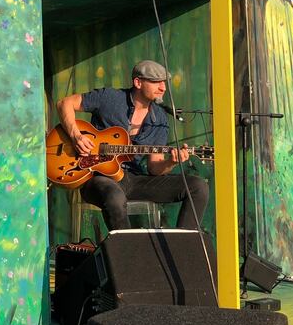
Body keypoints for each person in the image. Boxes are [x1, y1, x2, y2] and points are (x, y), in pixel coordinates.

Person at [56, 60, 209, 231]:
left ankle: (183, 245)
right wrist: (76, 136)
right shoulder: (109, 98)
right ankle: (126, 248)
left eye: (164, 83)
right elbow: (64, 104)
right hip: (97, 178)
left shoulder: (159, 119)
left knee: (198, 187)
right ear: (138, 82)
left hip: (134, 180)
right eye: (156, 82)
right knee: (115, 196)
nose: (163, 88)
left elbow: (154, 167)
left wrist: (171, 162)